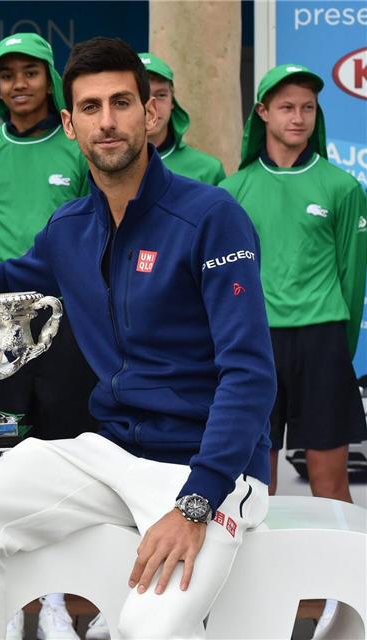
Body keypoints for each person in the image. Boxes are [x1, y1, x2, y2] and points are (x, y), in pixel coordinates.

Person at [0, 37, 276, 639]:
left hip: (209, 472)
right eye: (90, 107)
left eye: (122, 102)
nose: (108, 120)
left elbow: (250, 373)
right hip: (111, 452)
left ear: (150, 113)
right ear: (70, 123)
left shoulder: (211, 217)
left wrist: (197, 503)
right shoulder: (70, 227)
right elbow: (15, 275)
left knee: (148, 630)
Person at [220, 64, 367, 639]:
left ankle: (341, 596)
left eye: (307, 107)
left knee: (331, 483)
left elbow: (351, 280)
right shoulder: (233, 191)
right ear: (262, 114)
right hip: (257, 346)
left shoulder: (340, 186)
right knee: (261, 485)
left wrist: (339, 346)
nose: (297, 118)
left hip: (324, 340)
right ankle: (268, 599)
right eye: (285, 107)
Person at [0, 32, 94, 640]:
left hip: (65, 323)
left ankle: (57, 602)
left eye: (31, 73)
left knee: (63, 457)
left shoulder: (75, 148)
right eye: (7, 74)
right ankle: (9, 600)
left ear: (51, 83)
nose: (19, 84)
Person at [139, 53, 226, 185]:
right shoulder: (103, 166)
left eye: (161, 95)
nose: (152, 106)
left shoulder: (208, 170)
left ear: (172, 102)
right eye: (142, 95)